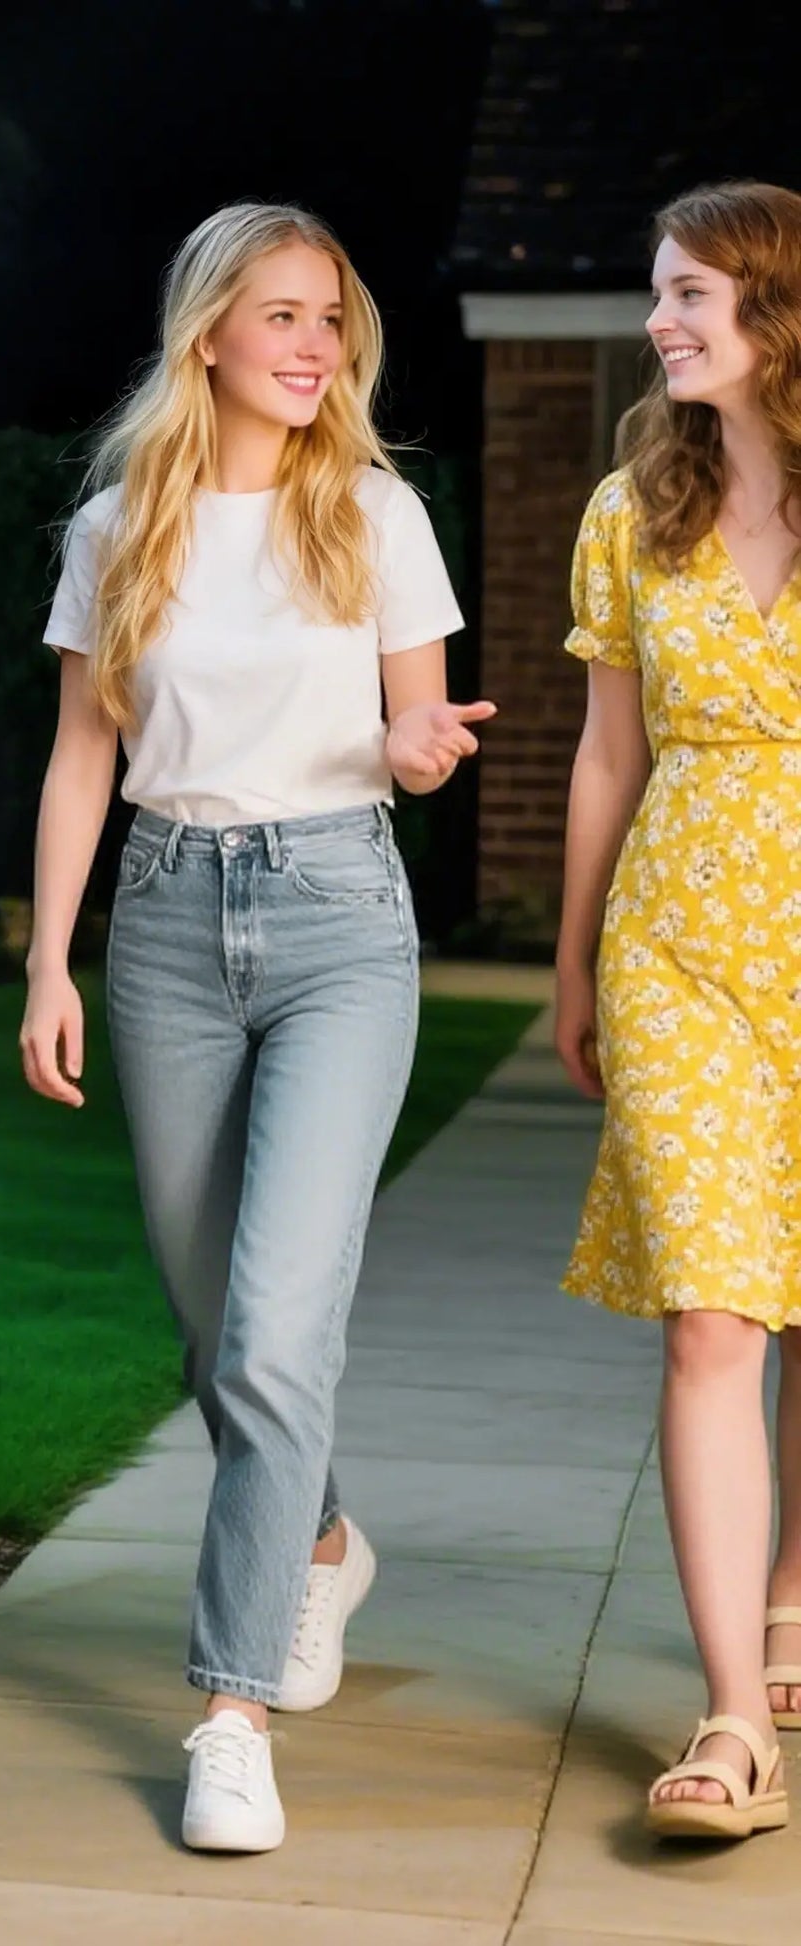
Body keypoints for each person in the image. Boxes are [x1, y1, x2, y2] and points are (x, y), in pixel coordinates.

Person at [20, 201, 484, 1853]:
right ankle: (319, 1540)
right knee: (214, 1322)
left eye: (328, 318)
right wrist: (48, 962)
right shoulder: (116, 528)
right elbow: (83, 754)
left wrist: (416, 751)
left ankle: (229, 1717)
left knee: (279, 1331)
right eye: (279, 314)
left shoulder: (371, 509)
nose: (310, 345)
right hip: (159, 924)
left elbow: (414, 722)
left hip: (337, 918)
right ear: (206, 330)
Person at [555, 178, 801, 1844]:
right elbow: (604, 753)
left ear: (773, 313)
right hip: (679, 952)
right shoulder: (628, 508)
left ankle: (792, 1594)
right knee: (713, 1314)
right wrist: (574, 957)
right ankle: (728, 1716)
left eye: (690, 294)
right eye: (660, 292)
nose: (658, 320)